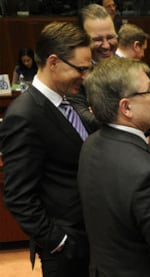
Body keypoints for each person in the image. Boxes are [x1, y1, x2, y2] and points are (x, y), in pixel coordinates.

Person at [79, 57, 150, 276]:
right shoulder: (148, 173)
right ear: (126, 107)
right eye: (149, 91)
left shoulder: (91, 144)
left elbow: (119, 198)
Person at [0, 21, 92, 277]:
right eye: (80, 69)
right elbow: (18, 196)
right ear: (53, 62)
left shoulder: (68, 100)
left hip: (89, 239)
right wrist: (58, 241)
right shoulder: (24, 115)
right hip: (65, 250)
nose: (85, 76)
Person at [68, 3, 118, 133]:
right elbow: (86, 121)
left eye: (111, 37)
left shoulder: (127, 67)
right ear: (81, 39)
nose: (106, 46)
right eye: (98, 39)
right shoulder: (73, 75)